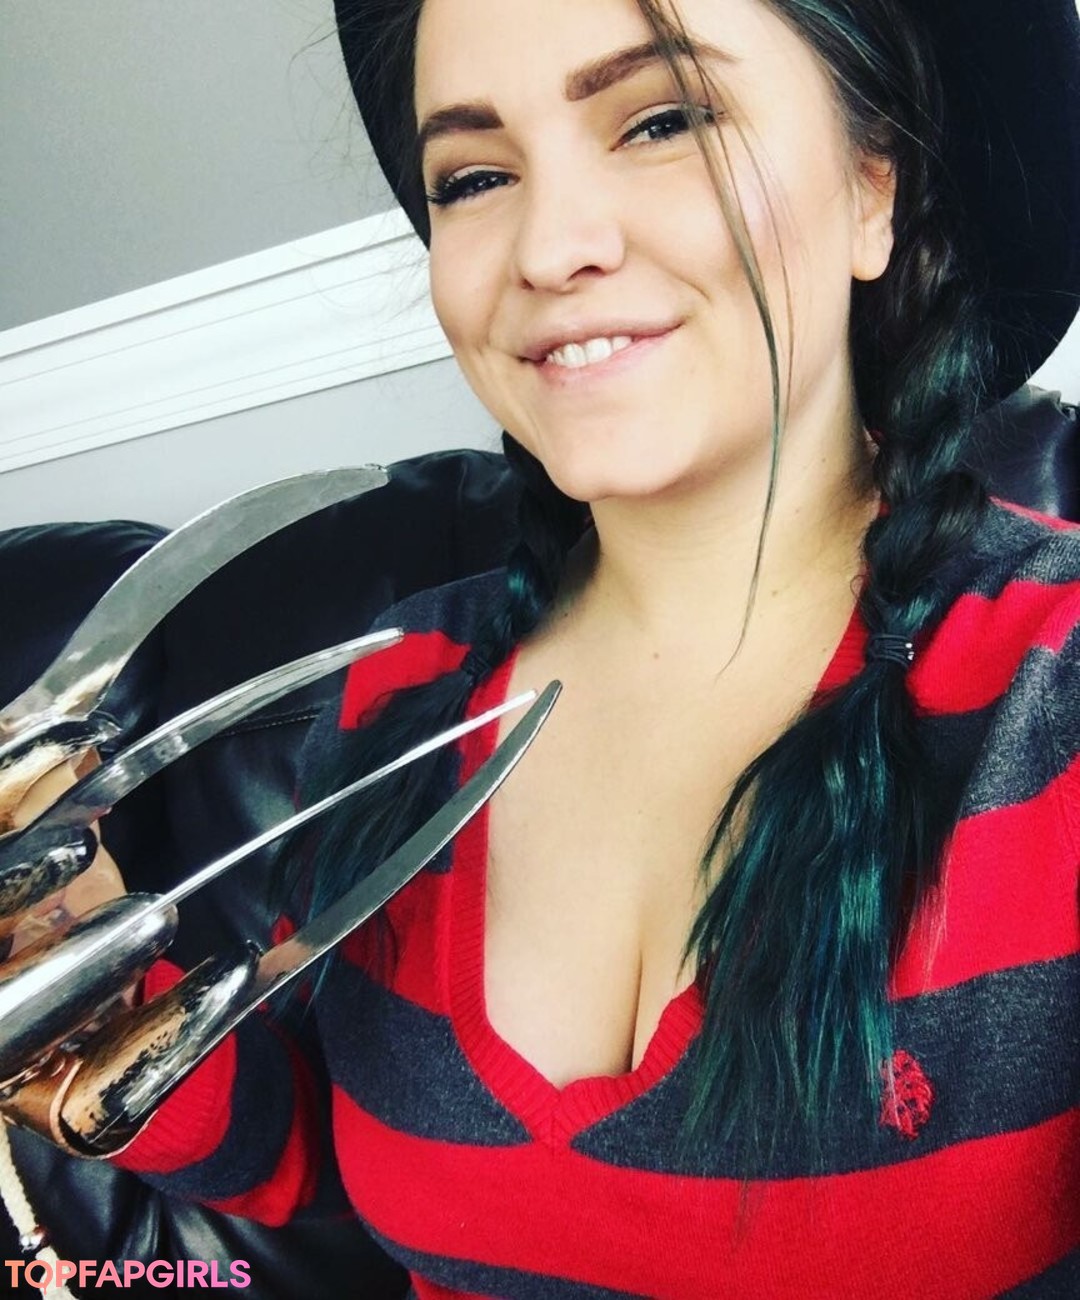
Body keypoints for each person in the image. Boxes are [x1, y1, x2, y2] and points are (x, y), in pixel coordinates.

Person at [11, 0, 1080, 1295]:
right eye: (474, 176)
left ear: (874, 188)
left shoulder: (1054, 696)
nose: (548, 246)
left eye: (662, 119)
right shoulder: (397, 696)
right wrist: (108, 1027)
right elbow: (343, 1167)